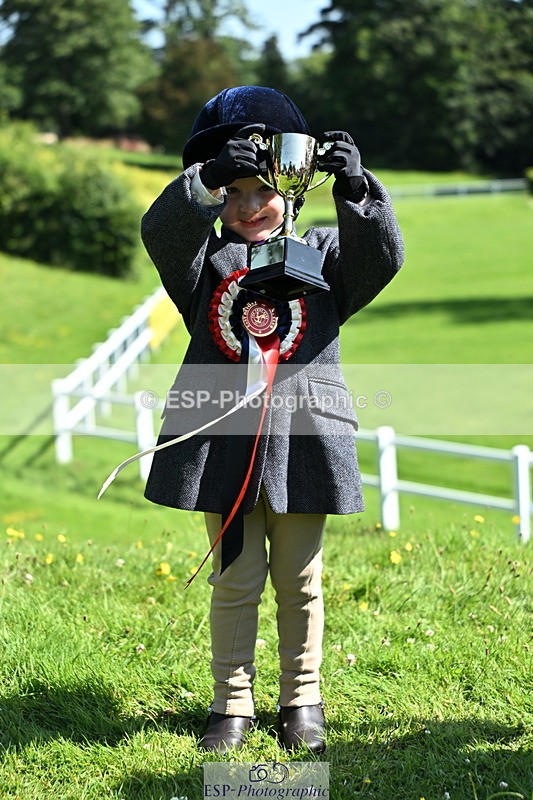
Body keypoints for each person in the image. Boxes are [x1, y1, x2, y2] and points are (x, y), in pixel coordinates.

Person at [140, 85, 404, 754]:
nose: (249, 206)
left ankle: (301, 700)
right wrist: (201, 181)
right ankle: (230, 704)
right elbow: (161, 231)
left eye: (262, 190)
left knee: (300, 581)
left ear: (292, 183)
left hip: (306, 442)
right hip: (222, 446)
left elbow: (381, 259)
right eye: (233, 193)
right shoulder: (202, 263)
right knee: (235, 581)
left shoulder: (324, 254)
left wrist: (356, 189)